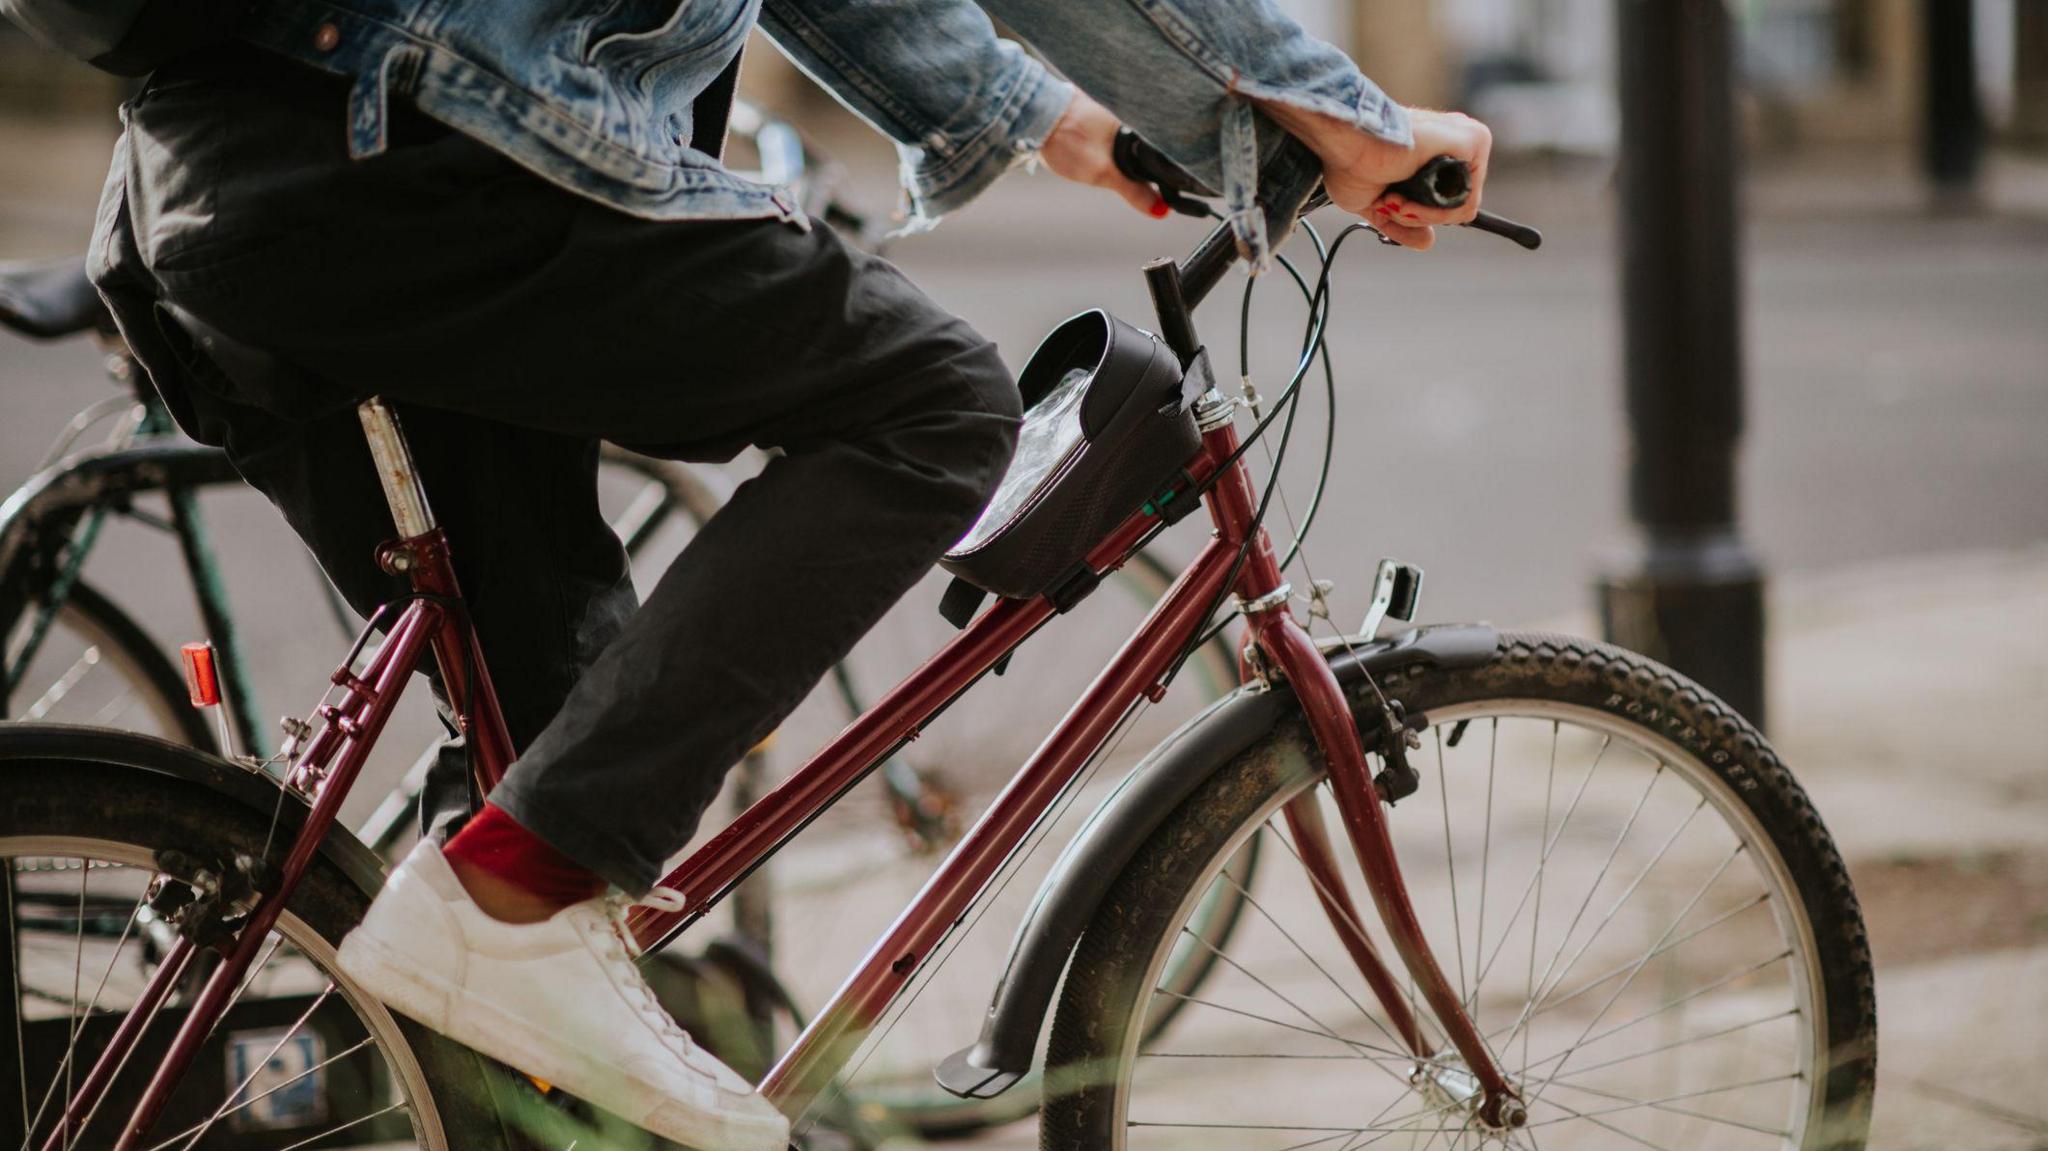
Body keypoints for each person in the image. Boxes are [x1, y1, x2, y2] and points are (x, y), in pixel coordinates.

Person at [87, 1, 1491, 1147]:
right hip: (430, 151)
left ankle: (509, 927)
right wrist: (1340, 116)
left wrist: (1062, 124)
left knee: (554, 748)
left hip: (237, 189)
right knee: (934, 407)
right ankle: (514, 894)